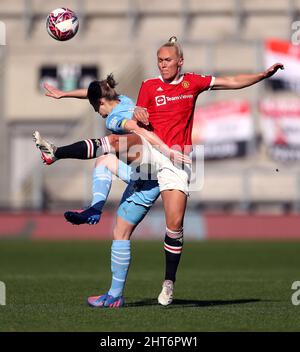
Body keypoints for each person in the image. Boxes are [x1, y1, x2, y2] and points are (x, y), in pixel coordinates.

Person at [35, 36, 284, 306]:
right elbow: (134, 122)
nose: (162, 65)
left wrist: (261, 75)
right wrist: (153, 133)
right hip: (155, 154)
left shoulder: (189, 83)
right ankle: (115, 294)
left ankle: (168, 281)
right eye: (159, 61)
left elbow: (230, 82)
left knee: (173, 227)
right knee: (111, 158)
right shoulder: (145, 89)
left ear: (180, 61)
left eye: (167, 60)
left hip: (172, 161)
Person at [34, 73, 189, 308]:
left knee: (110, 145)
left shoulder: (114, 119)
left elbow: (139, 130)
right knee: (119, 231)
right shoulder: (123, 99)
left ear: (101, 103)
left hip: (154, 166)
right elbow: (94, 94)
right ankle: (115, 295)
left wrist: (166, 150)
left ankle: (57, 153)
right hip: (145, 176)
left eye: (97, 109)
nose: (99, 113)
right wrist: (65, 94)